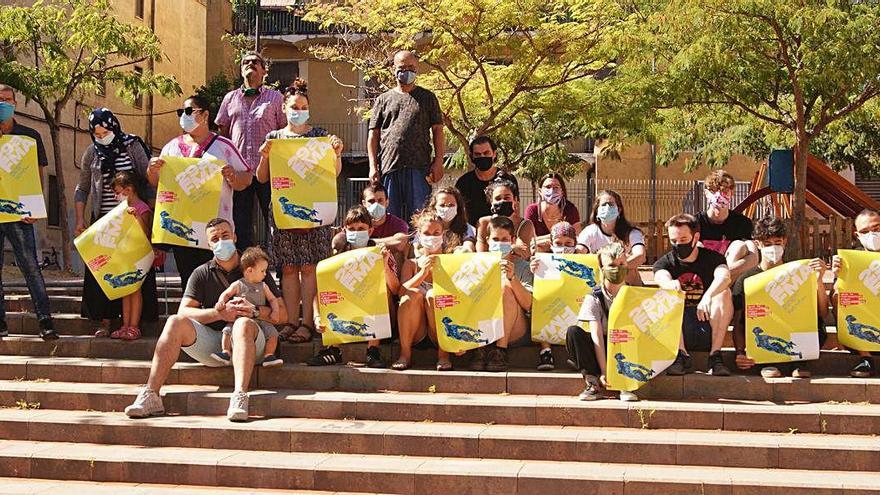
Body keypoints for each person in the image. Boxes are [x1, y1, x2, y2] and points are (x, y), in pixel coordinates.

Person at [124, 218, 286, 422]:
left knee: (242, 324)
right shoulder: (201, 273)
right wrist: (219, 314)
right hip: (215, 344)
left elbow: (284, 316)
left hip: (255, 342)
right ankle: (151, 394)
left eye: (225, 236)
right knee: (175, 321)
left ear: (235, 237)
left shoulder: (255, 267)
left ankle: (240, 396)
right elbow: (184, 311)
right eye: (215, 238)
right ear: (208, 245)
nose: (221, 241)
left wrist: (254, 311)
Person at [255, 79, 344, 346]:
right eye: (294, 107)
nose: (298, 111)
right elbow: (261, 178)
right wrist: (264, 157)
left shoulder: (320, 137)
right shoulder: (274, 138)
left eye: (303, 107)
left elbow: (334, 173)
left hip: (314, 213)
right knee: (289, 268)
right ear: (284, 108)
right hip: (283, 212)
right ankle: (291, 321)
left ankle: (307, 323)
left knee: (309, 266)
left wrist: (337, 153)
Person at [147, 95, 252, 290]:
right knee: (189, 280)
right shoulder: (171, 148)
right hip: (182, 227)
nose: (183, 116)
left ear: (205, 115)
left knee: (218, 279)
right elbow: (156, 183)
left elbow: (247, 178)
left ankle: (220, 317)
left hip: (215, 229)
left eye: (189, 111)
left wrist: (233, 176)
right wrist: (152, 170)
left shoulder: (223, 146)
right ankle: (191, 317)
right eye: (181, 112)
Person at [75, 108, 157, 337]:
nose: (101, 138)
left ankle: (136, 322)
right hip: (104, 221)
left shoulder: (132, 146)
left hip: (134, 220)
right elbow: (82, 189)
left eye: (105, 132)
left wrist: (151, 218)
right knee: (103, 272)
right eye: (97, 134)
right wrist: (81, 218)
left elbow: (149, 181)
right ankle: (106, 321)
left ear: (114, 126)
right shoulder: (91, 153)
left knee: (135, 274)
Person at [732, 216, 828, 378]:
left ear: (785, 241)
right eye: (767, 244)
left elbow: (822, 313)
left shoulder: (799, 272)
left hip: (796, 333)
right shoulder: (747, 279)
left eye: (777, 243)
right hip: (766, 336)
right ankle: (769, 361)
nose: (773, 248)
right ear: (757, 244)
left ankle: (800, 361)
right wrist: (740, 352)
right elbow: (739, 321)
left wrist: (819, 280)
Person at [312, 206, 401, 367]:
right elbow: (320, 292)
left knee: (381, 289)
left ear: (370, 230)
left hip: (382, 320)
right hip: (349, 314)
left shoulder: (380, 252)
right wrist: (317, 317)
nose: (356, 232)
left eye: (361, 228)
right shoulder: (338, 255)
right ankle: (333, 349)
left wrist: (385, 265)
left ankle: (373, 351)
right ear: (344, 230)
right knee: (331, 290)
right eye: (352, 229)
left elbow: (395, 290)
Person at [215, 51, 286, 251]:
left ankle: (281, 271)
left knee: (276, 222)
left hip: (269, 172)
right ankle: (245, 271)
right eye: (246, 62)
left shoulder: (276, 98)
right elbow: (223, 135)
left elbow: (284, 132)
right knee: (241, 223)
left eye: (256, 62)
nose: (250, 65)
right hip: (239, 174)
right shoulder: (229, 99)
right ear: (240, 69)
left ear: (264, 71)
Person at [0, 83, 55, 340]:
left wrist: (35, 206)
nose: (3, 103)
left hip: (21, 215)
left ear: (15, 104)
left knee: (31, 267)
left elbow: (39, 174)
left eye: (7, 99)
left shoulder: (31, 135)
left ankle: (45, 321)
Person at [368, 50, 444, 220]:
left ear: (417, 68)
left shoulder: (428, 97)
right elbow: (373, 135)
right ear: (393, 69)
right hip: (389, 167)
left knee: (421, 219)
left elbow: (438, 130)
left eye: (411, 67)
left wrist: (438, 161)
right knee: (388, 219)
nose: (407, 71)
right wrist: (373, 166)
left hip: (419, 168)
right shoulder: (382, 100)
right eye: (402, 67)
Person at [654, 213, 733, 377]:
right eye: (673, 241)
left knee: (724, 293)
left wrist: (708, 296)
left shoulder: (713, 258)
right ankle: (681, 355)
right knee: (666, 294)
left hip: (709, 323)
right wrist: (669, 284)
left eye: (683, 240)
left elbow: (724, 277)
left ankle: (715, 356)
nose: (678, 245)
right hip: (681, 328)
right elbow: (660, 276)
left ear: (695, 237)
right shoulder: (666, 262)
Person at [565, 241, 638, 401]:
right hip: (603, 347)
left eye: (621, 263)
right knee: (573, 333)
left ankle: (625, 383)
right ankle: (592, 381)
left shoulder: (635, 294)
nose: (617, 268)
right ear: (602, 268)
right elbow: (596, 336)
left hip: (626, 345)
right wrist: (606, 372)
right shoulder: (594, 297)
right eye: (611, 265)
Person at [393, 210, 451, 371]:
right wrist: (423, 273)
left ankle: (444, 354)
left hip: (439, 328)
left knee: (434, 295)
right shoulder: (411, 264)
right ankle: (405, 354)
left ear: (443, 234)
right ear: (419, 234)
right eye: (426, 233)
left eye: (436, 233)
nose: (431, 237)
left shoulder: (451, 262)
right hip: (416, 329)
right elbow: (400, 292)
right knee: (411, 294)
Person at [474, 216, 534, 372]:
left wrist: (512, 278)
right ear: (487, 240)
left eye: (504, 239)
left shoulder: (523, 267)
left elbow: (528, 305)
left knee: (506, 288)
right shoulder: (477, 266)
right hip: (484, 328)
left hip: (516, 329)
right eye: (495, 239)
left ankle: (500, 351)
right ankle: (481, 348)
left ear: (512, 240)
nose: (500, 243)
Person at [212, 246, 283, 368]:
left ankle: (269, 355)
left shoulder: (263, 286)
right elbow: (226, 294)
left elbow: (272, 299)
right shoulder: (238, 284)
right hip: (239, 319)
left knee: (273, 334)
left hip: (260, 320)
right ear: (249, 270)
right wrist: (221, 302)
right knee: (227, 331)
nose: (265, 274)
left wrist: (275, 311)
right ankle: (226, 352)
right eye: (262, 271)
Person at [832, 208, 880, 377]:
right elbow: (837, 296)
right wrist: (839, 276)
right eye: (865, 232)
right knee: (838, 297)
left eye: (876, 229)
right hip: (866, 319)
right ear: (857, 235)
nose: (872, 235)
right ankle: (865, 358)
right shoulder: (851, 261)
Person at [528, 221, 580, 370]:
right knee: (542, 303)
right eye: (558, 243)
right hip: (551, 305)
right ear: (551, 244)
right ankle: (545, 351)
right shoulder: (544, 261)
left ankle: (576, 351)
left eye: (568, 243)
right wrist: (534, 269)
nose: (563, 247)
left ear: (575, 243)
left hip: (574, 304)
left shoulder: (583, 261)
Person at [110, 171, 154, 340]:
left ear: (129, 190)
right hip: (124, 254)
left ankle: (134, 326)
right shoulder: (120, 209)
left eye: (118, 192)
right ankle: (125, 325)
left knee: (135, 290)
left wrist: (135, 216)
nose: (116, 196)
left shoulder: (142, 208)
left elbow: (145, 233)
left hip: (138, 255)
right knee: (125, 290)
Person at [696, 170, 757, 280]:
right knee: (697, 246)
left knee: (739, 246)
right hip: (703, 277)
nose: (719, 196)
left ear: (732, 193)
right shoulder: (695, 223)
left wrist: (723, 273)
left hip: (730, 278)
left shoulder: (743, 223)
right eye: (713, 191)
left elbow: (754, 257)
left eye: (724, 191)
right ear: (706, 193)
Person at [577, 190, 646, 286]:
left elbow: (640, 256)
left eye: (611, 204)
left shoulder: (632, 233)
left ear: (619, 210)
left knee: (631, 270)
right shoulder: (590, 231)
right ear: (597, 210)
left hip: (626, 280)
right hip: (599, 279)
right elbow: (579, 253)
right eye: (604, 205)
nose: (607, 208)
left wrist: (615, 268)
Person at [454, 135, 518, 222]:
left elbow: (516, 208)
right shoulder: (464, 182)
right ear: (471, 156)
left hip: (503, 230)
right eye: (477, 154)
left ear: (494, 154)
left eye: (486, 153)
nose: (482, 156)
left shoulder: (507, 178)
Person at [525, 173, 580, 251]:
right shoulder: (532, 210)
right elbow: (529, 242)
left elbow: (577, 238)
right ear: (540, 191)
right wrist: (559, 240)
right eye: (548, 187)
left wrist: (545, 242)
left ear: (562, 192)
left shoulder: (570, 210)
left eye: (556, 187)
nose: (552, 190)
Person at [423, 187, 476, 253]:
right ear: (434, 208)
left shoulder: (466, 228)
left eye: (451, 205)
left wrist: (464, 250)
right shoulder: (425, 225)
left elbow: (469, 244)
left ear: (458, 207)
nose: (447, 208)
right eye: (442, 205)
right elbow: (416, 247)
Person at [360, 183, 409, 254]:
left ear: (387, 202)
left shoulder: (398, 223)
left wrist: (368, 242)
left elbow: (400, 242)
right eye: (371, 201)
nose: (376, 205)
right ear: (364, 204)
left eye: (380, 200)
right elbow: (345, 238)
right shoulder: (358, 222)